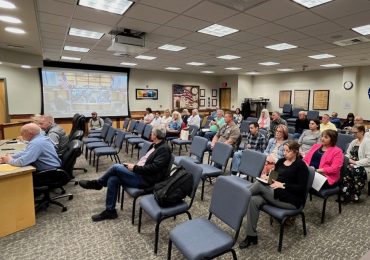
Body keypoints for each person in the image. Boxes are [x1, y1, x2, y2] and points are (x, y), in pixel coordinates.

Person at [78, 125, 171, 222]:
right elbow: (146, 161)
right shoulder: (155, 145)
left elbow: (154, 168)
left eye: (152, 133)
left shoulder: (164, 149)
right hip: (140, 172)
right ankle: (110, 211)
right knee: (113, 179)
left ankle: (98, 184)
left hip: (146, 180)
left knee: (116, 167)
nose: (151, 134)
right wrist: (134, 166)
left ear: (155, 136)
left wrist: (134, 168)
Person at [239, 141, 309, 249]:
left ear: (295, 152)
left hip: (290, 200)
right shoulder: (281, 161)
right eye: (284, 150)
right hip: (275, 193)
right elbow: (274, 177)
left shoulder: (301, 166)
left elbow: (301, 188)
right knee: (254, 200)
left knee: (258, 185)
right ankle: (251, 236)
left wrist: (283, 185)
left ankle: (238, 200)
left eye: (287, 151)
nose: (284, 153)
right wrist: (268, 178)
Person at [342, 125, 370, 202]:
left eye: (355, 132)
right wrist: (349, 159)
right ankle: (347, 192)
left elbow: (368, 160)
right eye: (353, 132)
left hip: (364, 165)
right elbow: (347, 153)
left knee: (353, 170)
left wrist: (355, 162)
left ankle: (355, 194)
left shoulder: (367, 142)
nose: (353, 134)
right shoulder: (354, 141)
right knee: (344, 168)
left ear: (361, 132)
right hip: (351, 163)